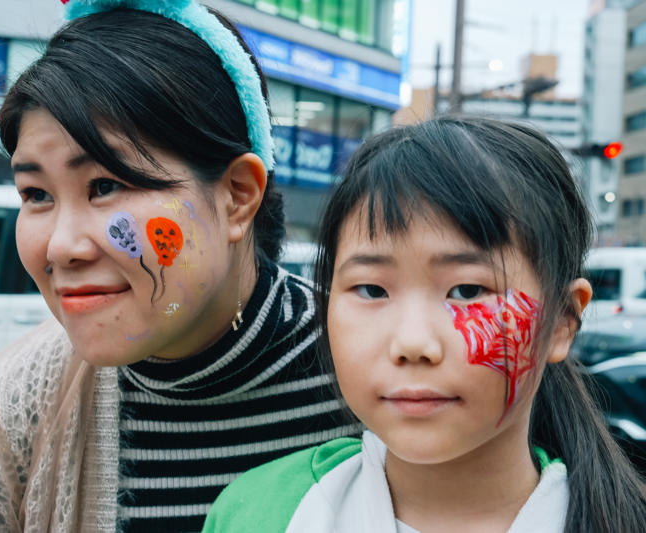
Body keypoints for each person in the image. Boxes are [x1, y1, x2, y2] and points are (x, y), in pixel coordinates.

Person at [0, 1, 360, 531]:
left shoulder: (374, 373)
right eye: (36, 194)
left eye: (106, 186)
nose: (62, 247)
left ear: (236, 195)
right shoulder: (4, 415)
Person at [203, 117, 646, 533]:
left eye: (468, 291)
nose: (412, 343)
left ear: (563, 321)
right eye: (372, 290)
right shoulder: (261, 512)